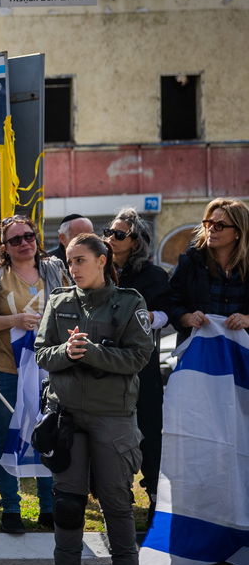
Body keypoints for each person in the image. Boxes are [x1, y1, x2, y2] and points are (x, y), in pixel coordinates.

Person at [35, 233, 156, 565]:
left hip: (112, 417)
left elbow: (138, 357)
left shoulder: (129, 302)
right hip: (67, 416)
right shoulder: (59, 302)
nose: (73, 269)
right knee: (68, 503)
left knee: (117, 502)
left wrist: (95, 353)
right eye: (69, 262)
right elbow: (42, 353)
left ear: (102, 260)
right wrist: (66, 352)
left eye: (80, 260)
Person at [0, 215, 66, 533]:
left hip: (47, 368)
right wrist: (13, 320)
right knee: (8, 436)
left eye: (28, 236)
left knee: (47, 435)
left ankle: (47, 507)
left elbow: (71, 308)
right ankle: (11, 509)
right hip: (5, 367)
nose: (24, 243)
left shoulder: (54, 268)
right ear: (5, 246)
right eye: (15, 239)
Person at [105, 208, 172, 512]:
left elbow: (168, 313)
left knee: (148, 428)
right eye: (109, 232)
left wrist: (148, 316)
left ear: (136, 241)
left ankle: (155, 492)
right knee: (109, 431)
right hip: (104, 363)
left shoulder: (152, 275)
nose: (111, 238)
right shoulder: (99, 268)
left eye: (119, 234)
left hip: (142, 364)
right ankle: (119, 494)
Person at [167, 197, 249, 341]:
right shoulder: (190, 261)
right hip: (200, 351)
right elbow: (170, 302)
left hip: (242, 353)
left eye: (220, 225)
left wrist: (247, 319)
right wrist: (187, 318)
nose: (211, 228)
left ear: (238, 232)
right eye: (209, 223)